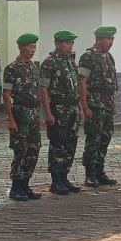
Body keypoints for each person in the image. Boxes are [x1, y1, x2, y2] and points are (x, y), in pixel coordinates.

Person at [39, 29, 82, 195]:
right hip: (58, 109)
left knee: (71, 143)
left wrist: (79, 107)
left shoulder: (70, 62)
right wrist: (47, 113)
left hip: (72, 109)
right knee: (58, 144)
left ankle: (64, 177)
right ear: (57, 43)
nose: (70, 46)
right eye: (67, 43)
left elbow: (75, 86)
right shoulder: (49, 63)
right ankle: (56, 180)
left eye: (72, 43)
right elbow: (43, 89)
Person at [3, 33, 43, 202]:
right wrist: (11, 119)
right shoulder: (12, 68)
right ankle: (16, 187)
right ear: (21, 47)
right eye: (29, 47)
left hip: (34, 114)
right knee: (21, 151)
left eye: (34, 47)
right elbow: (6, 95)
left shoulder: (34, 67)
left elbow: (38, 92)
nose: (33, 50)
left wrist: (40, 115)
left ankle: (25, 185)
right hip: (20, 115)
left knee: (33, 150)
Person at [79, 26, 119, 187]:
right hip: (94, 104)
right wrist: (85, 106)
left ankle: (100, 172)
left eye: (112, 39)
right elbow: (82, 82)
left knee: (105, 139)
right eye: (108, 39)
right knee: (93, 140)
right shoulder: (88, 57)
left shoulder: (109, 57)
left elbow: (111, 84)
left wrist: (113, 103)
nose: (111, 42)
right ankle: (90, 174)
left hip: (107, 104)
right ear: (98, 39)